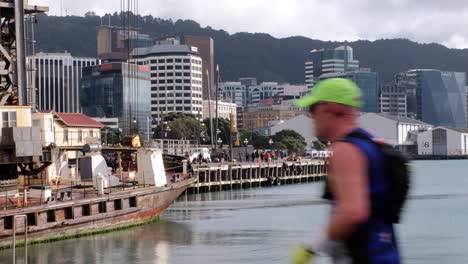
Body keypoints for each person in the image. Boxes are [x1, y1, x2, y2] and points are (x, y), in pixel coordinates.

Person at [290, 78, 401, 264]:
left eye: (312, 110)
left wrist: (310, 247)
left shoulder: (344, 150)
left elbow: (353, 211)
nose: (311, 118)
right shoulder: (374, 144)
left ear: (331, 109)